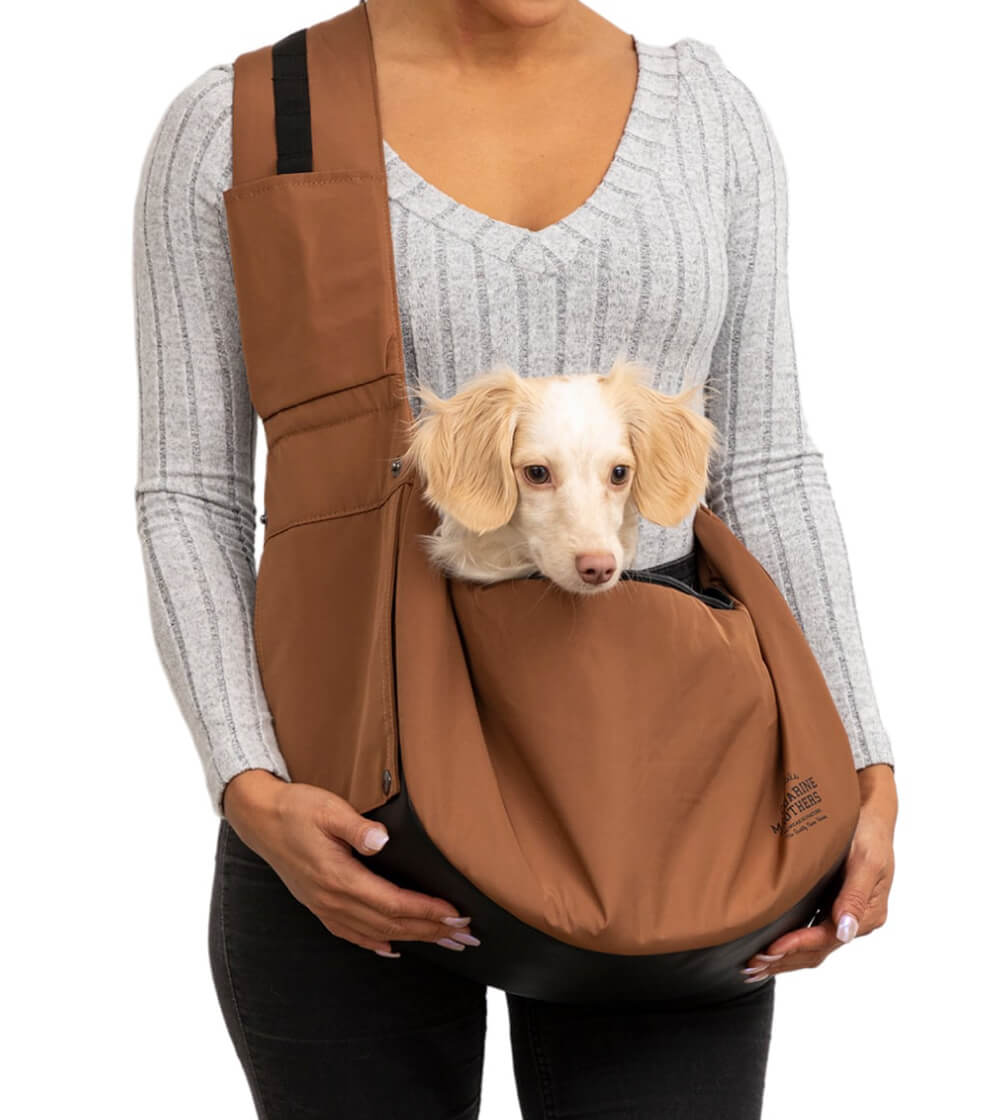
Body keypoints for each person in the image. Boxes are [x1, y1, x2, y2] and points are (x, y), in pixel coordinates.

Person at [132, 1, 898, 1115]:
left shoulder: (707, 116)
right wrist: (248, 783)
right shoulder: (248, 127)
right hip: (344, 783)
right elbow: (190, 492)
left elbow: (767, 466)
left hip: (665, 785)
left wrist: (863, 761)